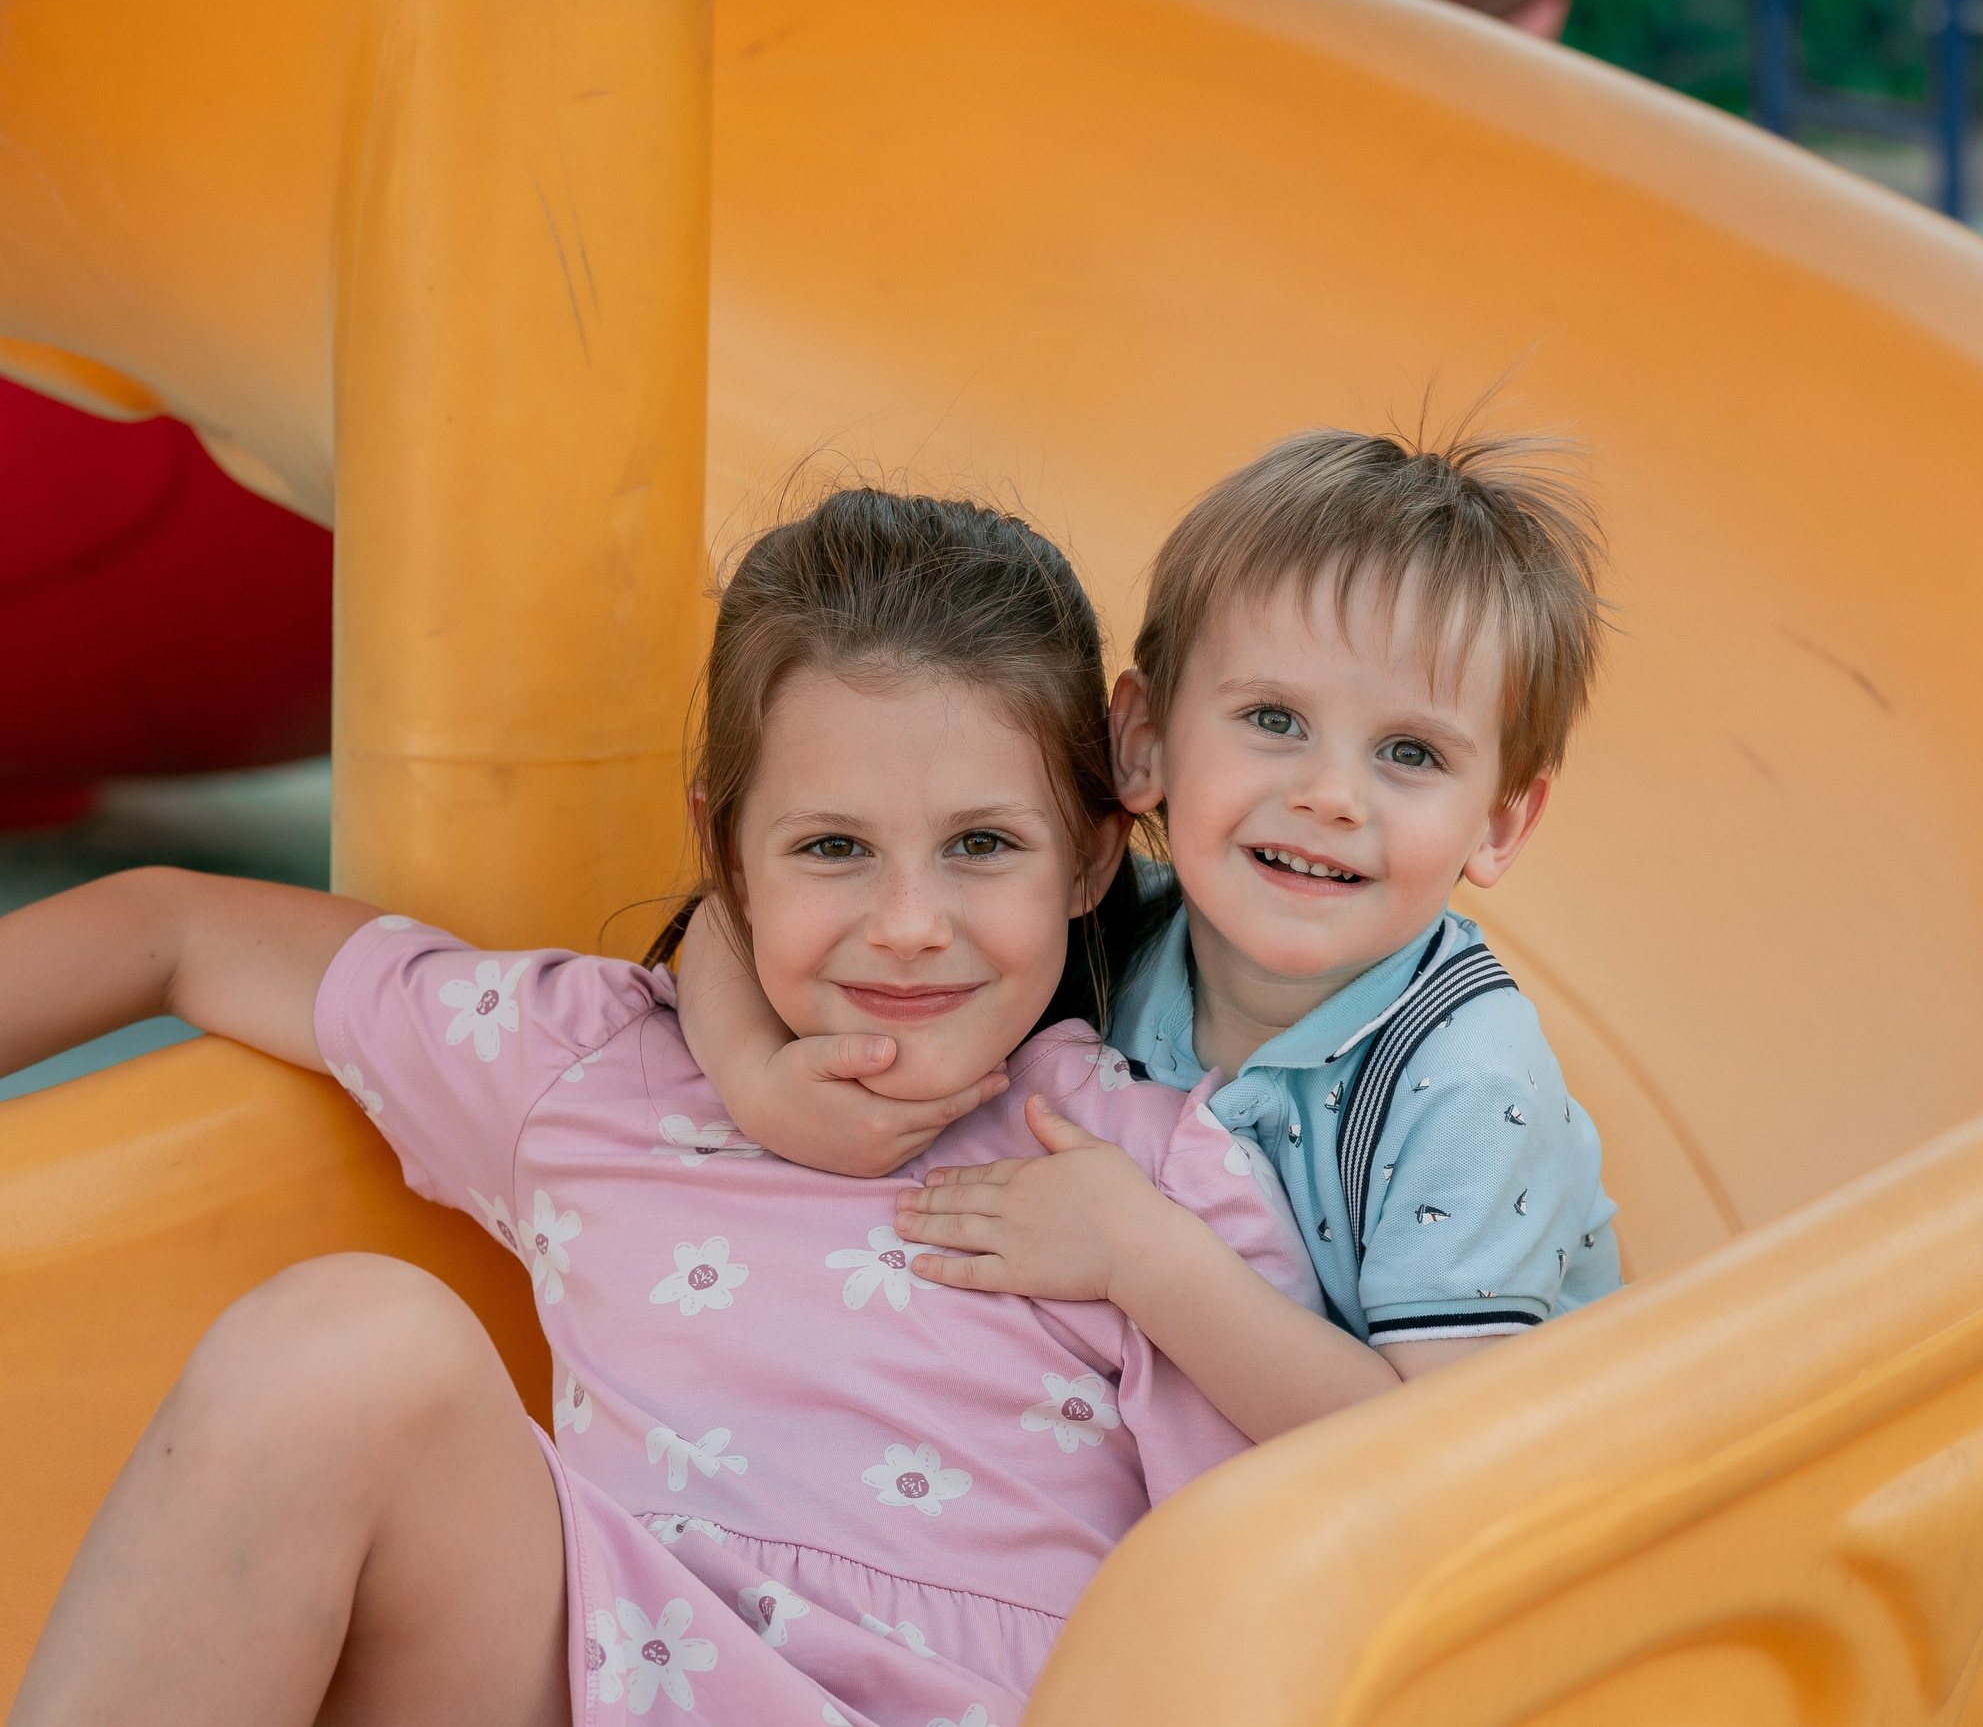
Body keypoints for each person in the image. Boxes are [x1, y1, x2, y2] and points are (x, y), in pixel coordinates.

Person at [0, 488, 1316, 1727]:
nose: (910, 926)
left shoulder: (1147, 1181)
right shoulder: (602, 1072)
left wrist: (1156, 1260)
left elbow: (1284, 1590)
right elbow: (173, 928)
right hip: (623, 1674)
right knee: (349, 1344)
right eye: (830, 847)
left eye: (982, 845)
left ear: (1090, 854)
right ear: (724, 848)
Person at [680, 426, 1623, 1445]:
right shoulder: (1129, 922)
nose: (1329, 794)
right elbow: (722, 920)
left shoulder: (1466, 1085)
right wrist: (752, 1077)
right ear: (1143, 738)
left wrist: (1143, 1257)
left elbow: (1436, 1459)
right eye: (1273, 718)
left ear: (1498, 822)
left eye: (1410, 750)